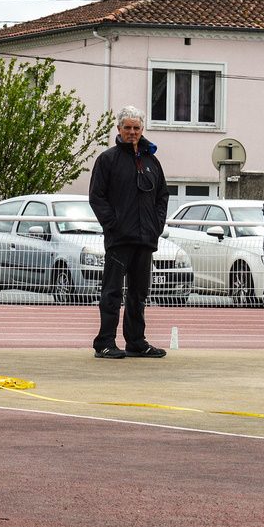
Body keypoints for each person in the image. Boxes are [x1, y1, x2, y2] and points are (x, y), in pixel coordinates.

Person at [89, 106, 169, 360]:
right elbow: (97, 197)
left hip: (146, 239)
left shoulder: (152, 161)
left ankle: (136, 341)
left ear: (142, 129)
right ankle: (105, 342)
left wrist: (156, 225)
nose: (132, 132)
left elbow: (162, 196)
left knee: (139, 292)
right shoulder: (108, 160)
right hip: (119, 239)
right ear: (119, 130)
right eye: (127, 128)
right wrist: (112, 223)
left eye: (136, 128)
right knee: (112, 292)